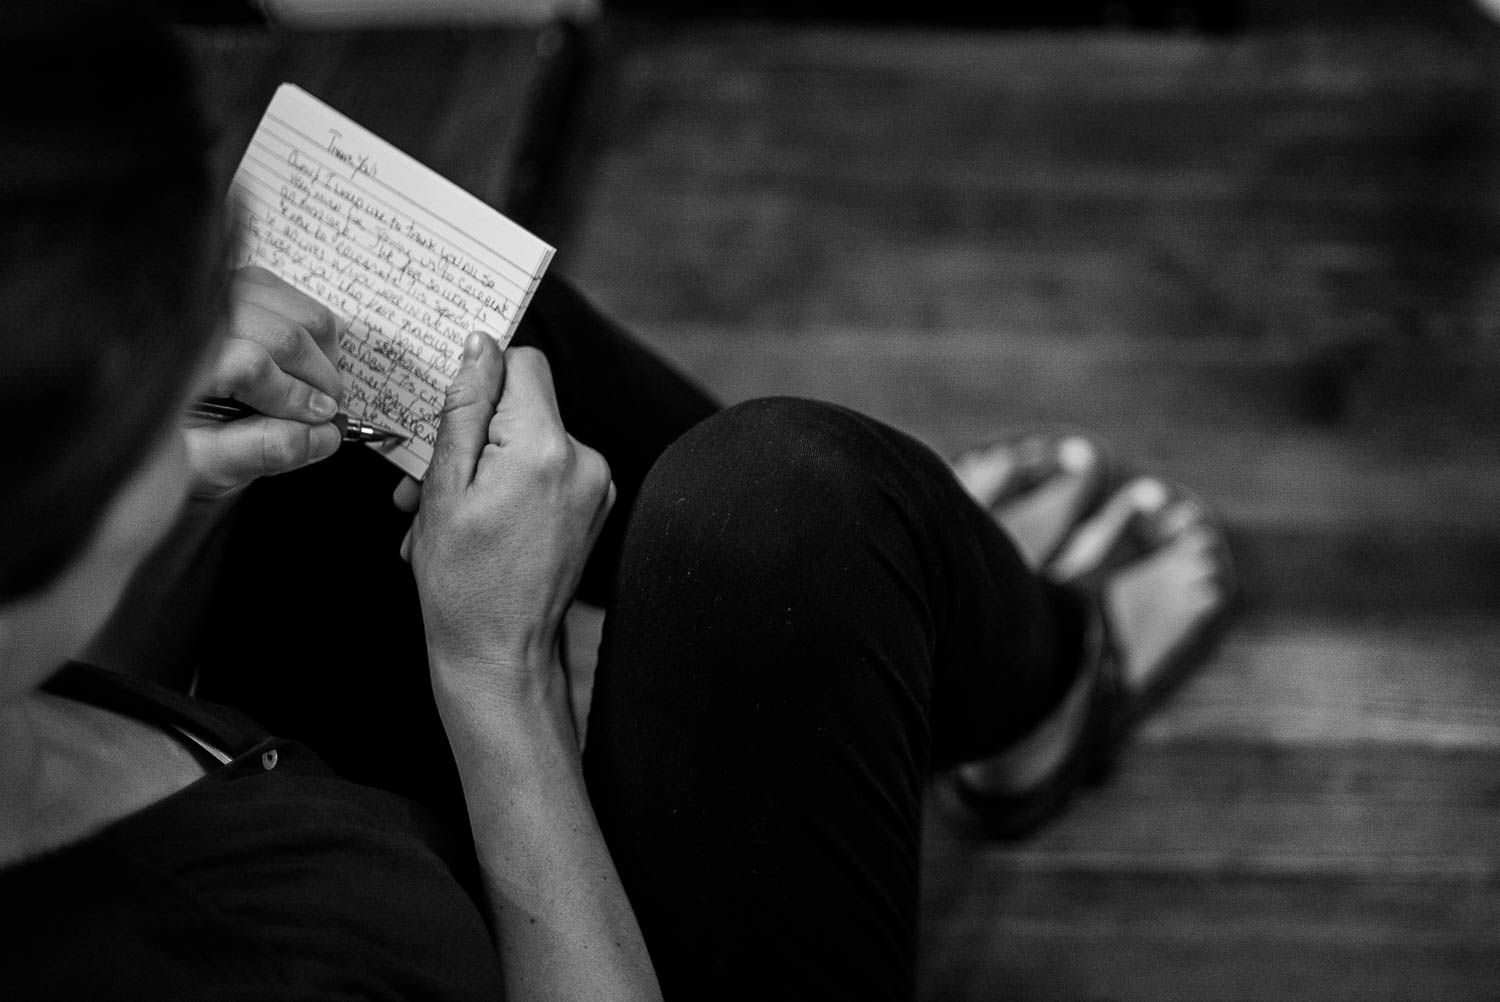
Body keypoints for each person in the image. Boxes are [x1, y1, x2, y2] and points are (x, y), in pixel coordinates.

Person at [0, 3, 1232, 999]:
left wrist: (194, 501)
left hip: (302, 792)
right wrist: (503, 680)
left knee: (410, 338)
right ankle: (1011, 671)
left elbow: (77, 693)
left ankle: (946, 624)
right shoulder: (226, 957)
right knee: (788, 515)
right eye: (144, 383)